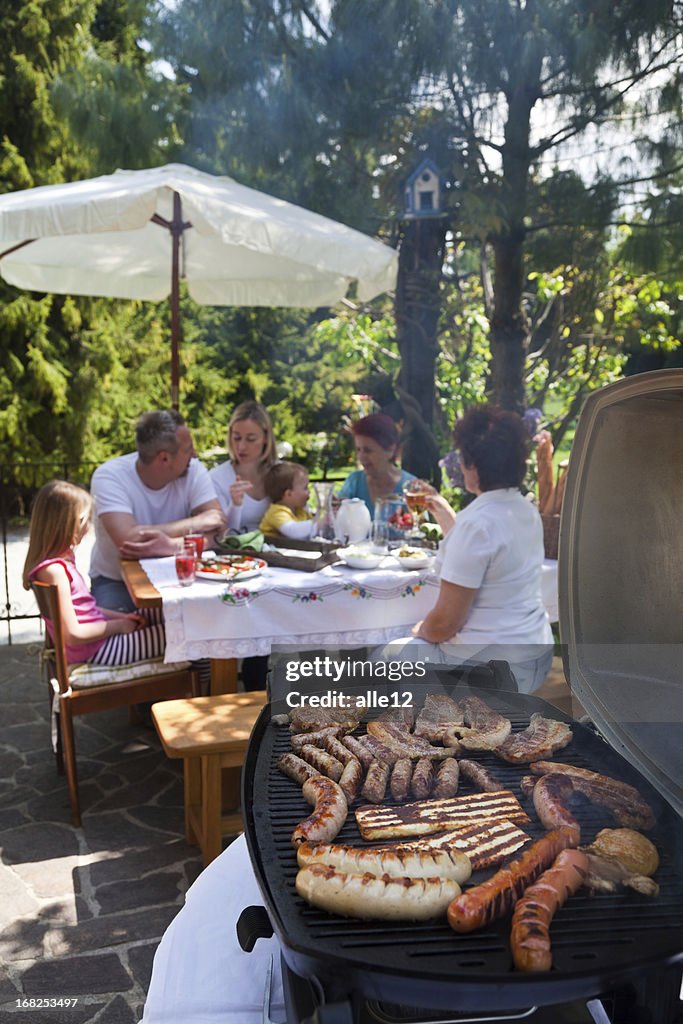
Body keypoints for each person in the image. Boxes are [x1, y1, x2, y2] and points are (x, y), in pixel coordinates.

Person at [381, 405, 554, 694]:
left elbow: (445, 624)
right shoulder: (524, 508)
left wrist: (421, 629)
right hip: (535, 656)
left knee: (384, 657)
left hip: (488, 670)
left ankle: (405, 735)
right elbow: (480, 553)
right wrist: (439, 506)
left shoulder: (477, 523)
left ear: (472, 465)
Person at [89, 410, 225, 611]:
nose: (195, 454)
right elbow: (128, 540)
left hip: (182, 577)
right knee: (121, 637)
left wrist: (171, 546)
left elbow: (218, 531)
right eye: (188, 449)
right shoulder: (109, 476)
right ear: (164, 459)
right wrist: (195, 524)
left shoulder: (193, 470)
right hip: (117, 582)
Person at [23, 481, 165, 665]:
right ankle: (204, 689)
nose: (88, 527)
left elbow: (84, 609)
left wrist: (120, 617)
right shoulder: (54, 572)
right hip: (96, 652)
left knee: (166, 612)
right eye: (85, 521)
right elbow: (72, 635)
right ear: (68, 524)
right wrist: (118, 626)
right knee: (183, 634)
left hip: (96, 645)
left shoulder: (57, 566)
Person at [209, 401, 277, 531]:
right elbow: (220, 534)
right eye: (236, 438)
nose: (241, 447)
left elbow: (303, 520)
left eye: (251, 439)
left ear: (266, 438)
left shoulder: (285, 473)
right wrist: (235, 505)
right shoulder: (216, 478)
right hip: (236, 550)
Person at [338, 412, 415, 517]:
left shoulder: (411, 488)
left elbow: (422, 529)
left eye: (368, 450)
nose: (361, 457)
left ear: (390, 450)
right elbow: (336, 521)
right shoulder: (354, 482)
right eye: (358, 449)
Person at [259, 462, 318, 539]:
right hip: (271, 549)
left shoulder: (300, 511)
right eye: (305, 488)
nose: (309, 492)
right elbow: (293, 530)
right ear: (289, 494)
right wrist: (319, 524)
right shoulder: (276, 512)